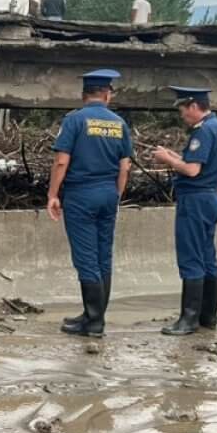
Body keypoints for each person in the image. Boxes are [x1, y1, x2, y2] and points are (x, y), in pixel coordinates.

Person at [47, 69, 133, 338]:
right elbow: (125, 166)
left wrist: (52, 194)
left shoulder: (74, 120)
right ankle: (92, 315)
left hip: (82, 195)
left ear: (84, 95)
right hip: (108, 193)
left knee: (86, 258)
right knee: (103, 257)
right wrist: (116, 194)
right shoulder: (119, 123)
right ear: (107, 95)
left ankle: (94, 323)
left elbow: (62, 161)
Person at [151, 87, 217, 336]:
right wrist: (175, 156)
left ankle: (188, 320)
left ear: (194, 106)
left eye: (183, 110)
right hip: (211, 197)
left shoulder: (204, 131)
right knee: (208, 257)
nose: (182, 115)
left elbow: (192, 170)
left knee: (191, 258)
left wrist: (167, 160)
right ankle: (208, 317)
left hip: (195, 199)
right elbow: (200, 163)